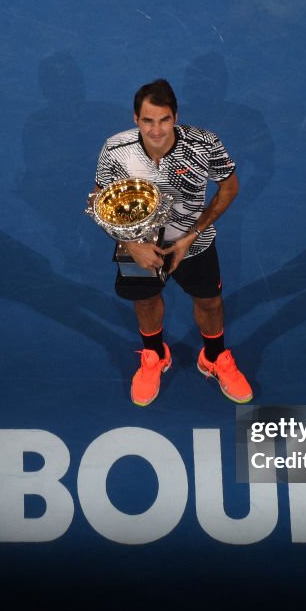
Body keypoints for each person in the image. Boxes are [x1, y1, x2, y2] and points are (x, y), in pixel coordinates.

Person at [92, 78, 253, 406]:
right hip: (136, 244)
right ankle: (153, 354)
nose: (157, 130)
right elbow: (100, 201)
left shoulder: (203, 144)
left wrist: (192, 234)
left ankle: (214, 356)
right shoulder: (115, 149)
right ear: (135, 118)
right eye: (148, 120)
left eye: (164, 120)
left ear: (175, 117)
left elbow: (229, 188)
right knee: (146, 301)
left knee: (210, 302)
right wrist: (133, 245)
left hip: (193, 242)